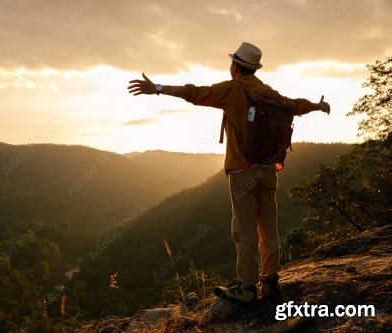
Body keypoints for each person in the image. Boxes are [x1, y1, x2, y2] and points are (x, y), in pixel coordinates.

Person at [127, 42, 330, 306]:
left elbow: (194, 93)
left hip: (242, 170)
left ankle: (246, 288)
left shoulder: (232, 90)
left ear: (235, 66)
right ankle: (270, 281)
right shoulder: (266, 91)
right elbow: (294, 105)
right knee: (268, 227)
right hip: (269, 169)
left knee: (244, 230)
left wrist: (157, 88)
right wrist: (317, 106)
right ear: (253, 68)